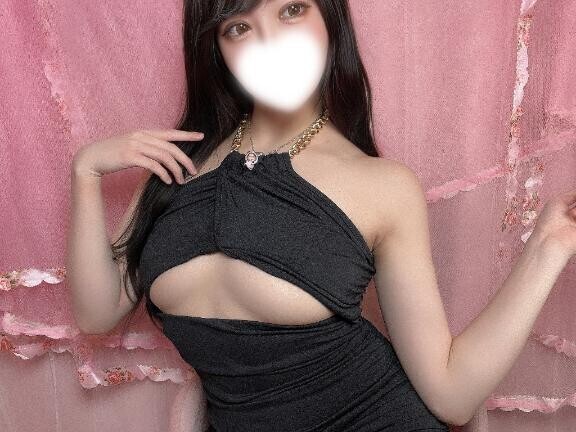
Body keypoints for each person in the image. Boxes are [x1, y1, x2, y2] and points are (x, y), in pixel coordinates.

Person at [67, 1, 576, 431]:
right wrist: (86, 172)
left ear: (330, 20)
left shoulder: (381, 185)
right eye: (239, 27)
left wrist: (549, 246)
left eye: (291, 10)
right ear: (217, 50)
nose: (271, 42)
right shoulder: (173, 165)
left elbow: (450, 394)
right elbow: (97, 313)